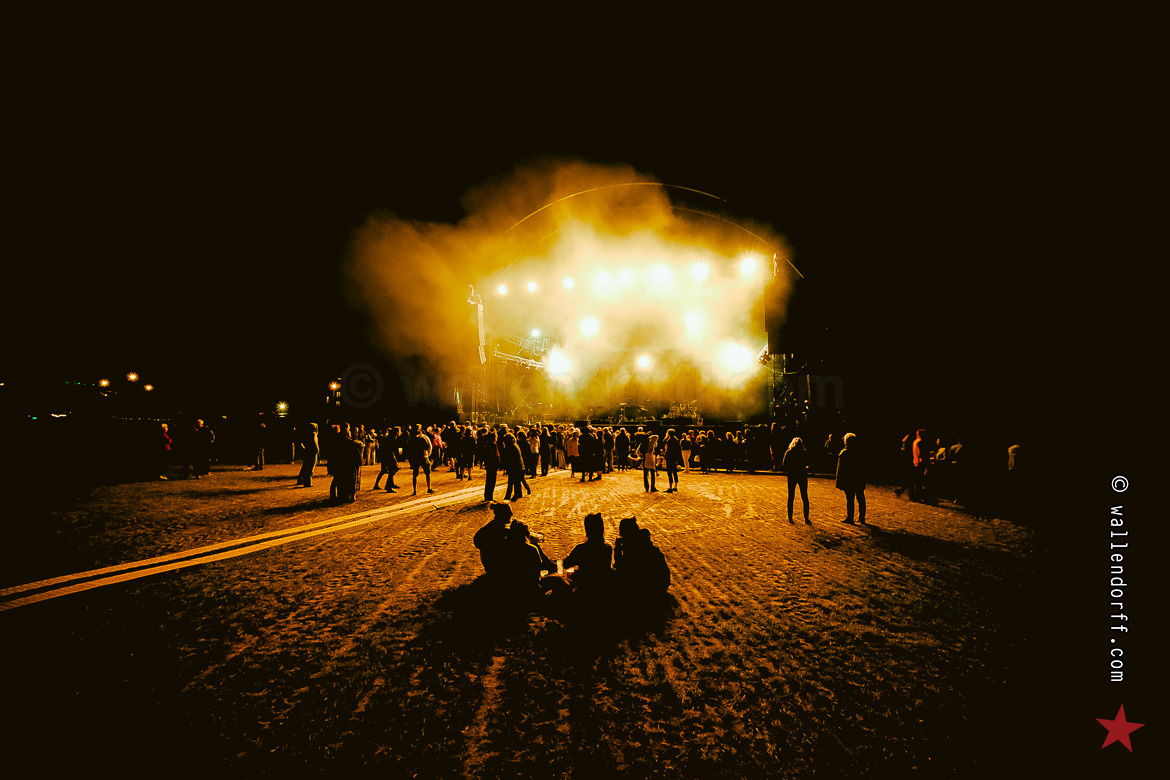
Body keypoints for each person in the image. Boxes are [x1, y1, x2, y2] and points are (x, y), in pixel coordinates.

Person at [613, 516, 670, 595]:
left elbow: (621, 568)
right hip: (661, 586)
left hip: (645, 590)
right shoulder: (644, 542)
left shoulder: (632, 548)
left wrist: (617, 549)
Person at [562, 512, 613, 595]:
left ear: (587, 529)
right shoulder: (608, 547)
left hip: (585, 590)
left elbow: (566, 564)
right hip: (603, 589)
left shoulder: (581, 549)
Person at [474, 501, 513, 576]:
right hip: (496, 568)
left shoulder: (493, 526)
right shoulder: (497, 531)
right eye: (509, 512)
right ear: (502, 514)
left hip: (491, 567)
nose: (511, 514)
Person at [835, 432, 866, 524]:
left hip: (849, 479)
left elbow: (841, 469)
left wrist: (839, 480)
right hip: (859, 478)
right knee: (860, 497)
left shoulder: (845, 452)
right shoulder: (860, 452)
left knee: (850, 499)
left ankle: (850, 517)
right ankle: (862, 517)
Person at [782, 437, 810, 524]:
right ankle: (806, 518)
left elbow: (784, 464)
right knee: (804, 497)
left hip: (792, 475)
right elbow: (808, 463)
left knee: (791, 496)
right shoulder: (804, 452)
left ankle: (790, 516)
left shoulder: (789, 452)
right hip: (802, 475)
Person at [406, 423, 434, 495]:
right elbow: (430, 446)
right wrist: (428, 454)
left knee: (415, 474)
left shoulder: (412, 438)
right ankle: (429, 488)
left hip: (416, 457)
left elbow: (410, 447)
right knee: (428, 473)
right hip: (424, 456)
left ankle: (415, 490)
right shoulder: (424, 437)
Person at [373, 427, 400, 492]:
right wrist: (395, 460)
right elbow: (391, 450)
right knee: (391, 471)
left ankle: (388, 484)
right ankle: (389, 486)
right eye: (399, 431)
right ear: (396, 432)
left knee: (385, 471)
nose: (400, 432)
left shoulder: (390, 437)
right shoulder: (392, 438)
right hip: (388, 456)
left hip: (385, 456)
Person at [500, 431, 526, 501]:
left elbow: (509, 458)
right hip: (519, 466)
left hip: (514, 466)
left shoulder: (510, 447)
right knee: (516, 481)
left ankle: (510, 496)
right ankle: (518, 494)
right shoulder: (515, 445)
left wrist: (506, 466)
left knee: (511, 482)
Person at [480, 428, 500, 502]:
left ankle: (487, 496)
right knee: (492, 481)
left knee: (488, 480)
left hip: (489, 464)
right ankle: (490, 496)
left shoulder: (487, 445)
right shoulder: (494, 445)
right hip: (493, 465)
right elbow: (496, 455)